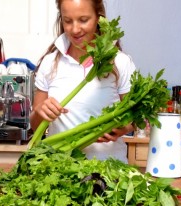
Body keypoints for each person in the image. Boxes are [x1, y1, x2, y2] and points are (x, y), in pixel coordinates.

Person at [30, 0, 136, 163]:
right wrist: (40, 112)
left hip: (108, 168)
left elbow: (136, 118)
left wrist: (124, 127)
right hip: (59, 168)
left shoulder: (120, 62)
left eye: (83, 20)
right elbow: (35, 126)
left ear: (98, 17)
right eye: (68, 21)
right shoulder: (50, 63)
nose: (75, 29)